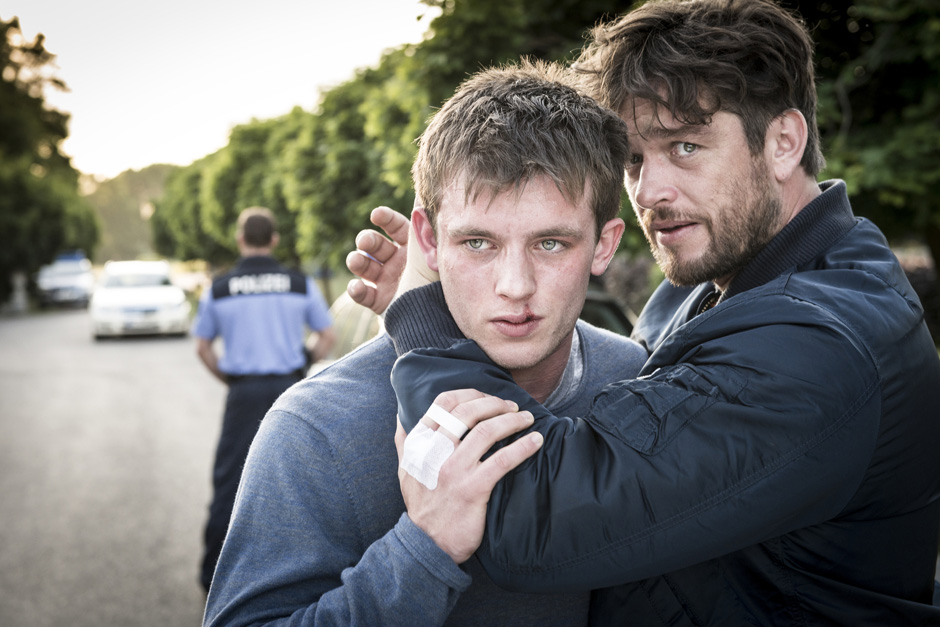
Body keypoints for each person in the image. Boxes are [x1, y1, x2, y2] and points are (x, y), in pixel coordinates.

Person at [350, 1, 940, 624]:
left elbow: (522, 513)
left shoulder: (818, 345)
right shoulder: (724, 286)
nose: (650, 191)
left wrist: (422, 311)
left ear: (784, 143)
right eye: (633, 160)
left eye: (685, 146)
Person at [202, 60, 649, 626]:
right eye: (479, 242)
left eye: (552, 244)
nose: (515, 286)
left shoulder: (636, 377)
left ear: (605, 246)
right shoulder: (315, 427)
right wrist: (423, 545)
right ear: (428, 242)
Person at [193, 206, 335, 593]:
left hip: (243, 391)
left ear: (240, 239)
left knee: (230, 480)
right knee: (302, 478)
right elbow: (327, 337)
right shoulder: (298, 283)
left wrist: (232, 379)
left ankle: (213, 578)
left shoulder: (219, 288)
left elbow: (203, 347)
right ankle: (305, 576)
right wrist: (301, 364)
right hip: (290, 389)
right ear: (274, 240)